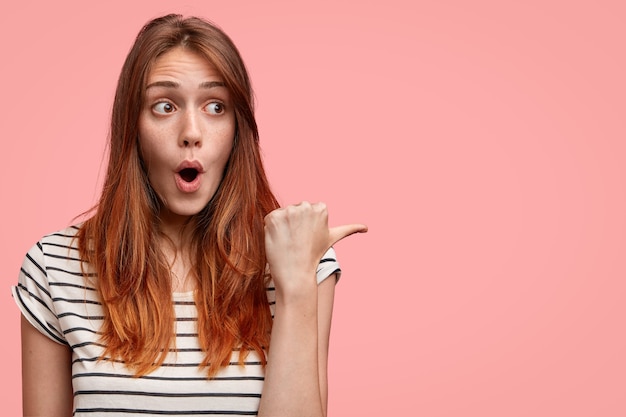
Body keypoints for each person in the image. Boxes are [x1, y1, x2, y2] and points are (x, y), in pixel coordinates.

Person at [12, 14, 366, 417]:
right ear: (133, 127)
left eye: (216, 106)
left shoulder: (301, 260)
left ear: (238, 130)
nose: (191, 131)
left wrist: (296, 283)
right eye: (164, 106)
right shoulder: (55, 268)